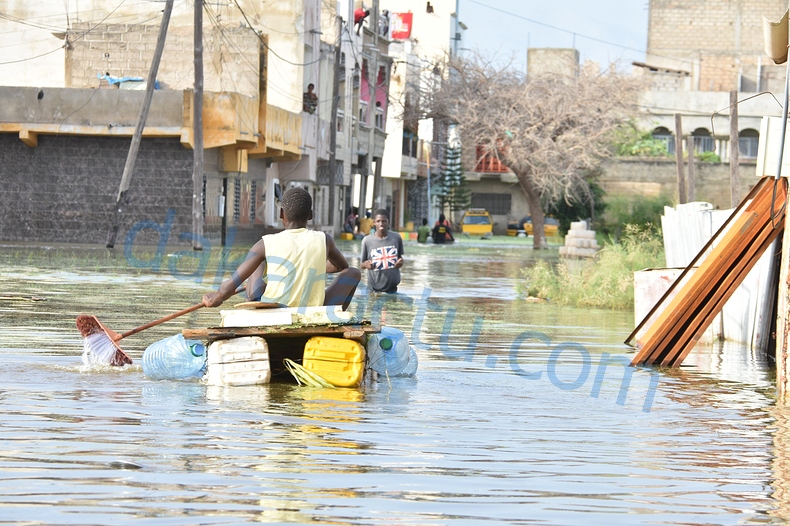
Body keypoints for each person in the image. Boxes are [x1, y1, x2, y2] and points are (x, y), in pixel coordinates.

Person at [203, 187, 360, 310]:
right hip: (311, 311)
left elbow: (228, 288)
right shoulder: (325, 240)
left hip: (272, 310)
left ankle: (250, 299)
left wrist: (215, 298)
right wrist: (310, 265)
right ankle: (334, 319)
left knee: (257, 263)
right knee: (353, 272)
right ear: (310, 215)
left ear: (281, 213)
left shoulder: (264, 243)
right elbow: (341, 267)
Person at [360, 208, 404, 293]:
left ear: (388, 222)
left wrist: (400, 263)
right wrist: (366, 264)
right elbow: (361, 264)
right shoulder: (367, 240)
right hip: (373, 289)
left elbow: (399, 259)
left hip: (392, 289)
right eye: (378, 221)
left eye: (384, 221)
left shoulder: (396, 238)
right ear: (374, 222)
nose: (381, 224)